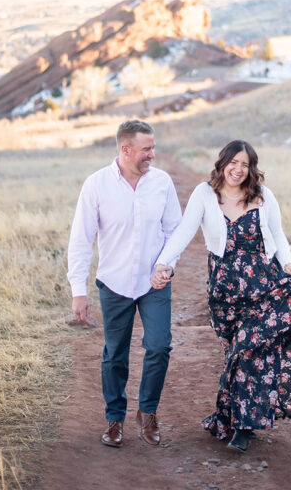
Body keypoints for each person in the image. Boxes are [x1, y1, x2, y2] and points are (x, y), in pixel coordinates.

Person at [151, 140, 291, 452]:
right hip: (225, 292)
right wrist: (163, 262)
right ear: (222, 163)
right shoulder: (205, 194)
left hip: (264, 285)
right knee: (237, 355)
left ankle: (242, 427)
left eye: (245, 164)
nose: (238, 169)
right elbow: (184, 232)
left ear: (251, 169)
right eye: (233, 162)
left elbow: (277, 234)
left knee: (250, 351)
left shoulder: (263, 196)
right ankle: (235, 418)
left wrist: (288, 263)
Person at [67, 119, 182, 448]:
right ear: (125, 149)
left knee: (159, 346)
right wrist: (79, 291)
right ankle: (114, 419)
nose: (153, 155)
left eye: (153, 148)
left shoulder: (162, 183)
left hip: (154, 282)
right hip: (114, 283)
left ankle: (147, 412)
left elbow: (175, 231)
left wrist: (166, 266)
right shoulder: (96, 185)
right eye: (147, 149)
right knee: (115, 355)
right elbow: (80, 240)